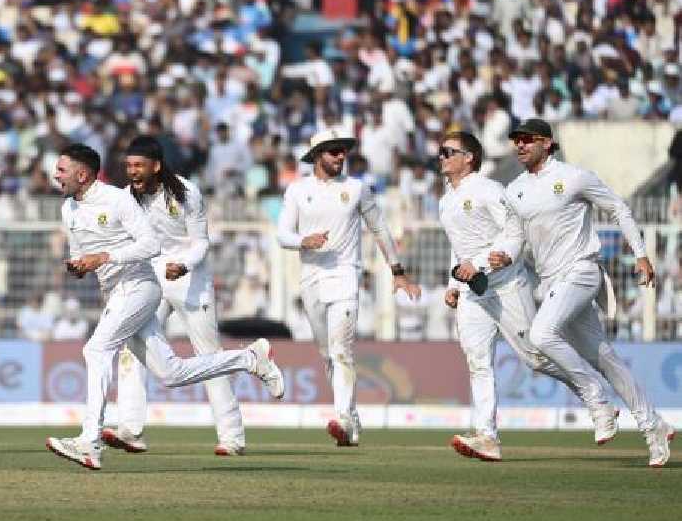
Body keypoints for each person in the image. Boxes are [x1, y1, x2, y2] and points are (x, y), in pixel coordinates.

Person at [46, 144, 284, 470]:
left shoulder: (120, 199)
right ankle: (249, 358)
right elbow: (82, 254)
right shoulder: (68, 209)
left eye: (61, 170)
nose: (55, 176)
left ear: (82, 174)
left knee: (96, 351)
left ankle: (90, 441)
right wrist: (79, 266)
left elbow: (151, 244)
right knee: (171, 373)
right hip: (118, 292)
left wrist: (105, 257)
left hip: (145, 286)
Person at [501, 118, 675, 467]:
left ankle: (595, 398)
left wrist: (641, 254)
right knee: (604, 357)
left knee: (541, 333)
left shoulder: (574, 176)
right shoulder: (515, 189)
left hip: (581, 271)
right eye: (515, 140)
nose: (519, 145)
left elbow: (618, 208)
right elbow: (515, 237)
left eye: (526, 139)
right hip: (550, 282)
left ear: (547, 143)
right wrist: (502, 255)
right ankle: (653, 425)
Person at [438, 130, 611, 462]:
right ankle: (487, 437)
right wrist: (455, 284)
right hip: (473, 292)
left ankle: (593, 393)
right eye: (441, 152)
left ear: (468, 157)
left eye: (448, 151)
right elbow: (459, 246)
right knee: (478, 362)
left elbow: (512, 233)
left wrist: (492, 258)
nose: (442, 157)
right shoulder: (446, 199)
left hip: (505, 285)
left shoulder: (489, 190)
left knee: (535, 358)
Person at [101, 136, 247, 456]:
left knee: (208, 355)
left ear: (156, 166)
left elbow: (201, 242)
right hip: (150, 278)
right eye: (128, 166)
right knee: (133, 350)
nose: (133, 172)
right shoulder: (126, 198)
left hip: (190, 278)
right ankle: (131, 429)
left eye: (139, 166)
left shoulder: (186, 192)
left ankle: (232, 437)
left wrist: (184, 264)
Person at [276, 129, 421, 447]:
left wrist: (397, 271)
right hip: (311, 279)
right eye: (333, 151)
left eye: (343, 151)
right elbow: (282, 234)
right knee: (328, 355)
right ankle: (351, 420)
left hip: (345, 276)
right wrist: (304, 240)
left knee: (341, 351)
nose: (341, 156)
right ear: (316, 156)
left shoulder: (356, 189)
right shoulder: (298, 191)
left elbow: (380, 229)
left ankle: (341, 416)